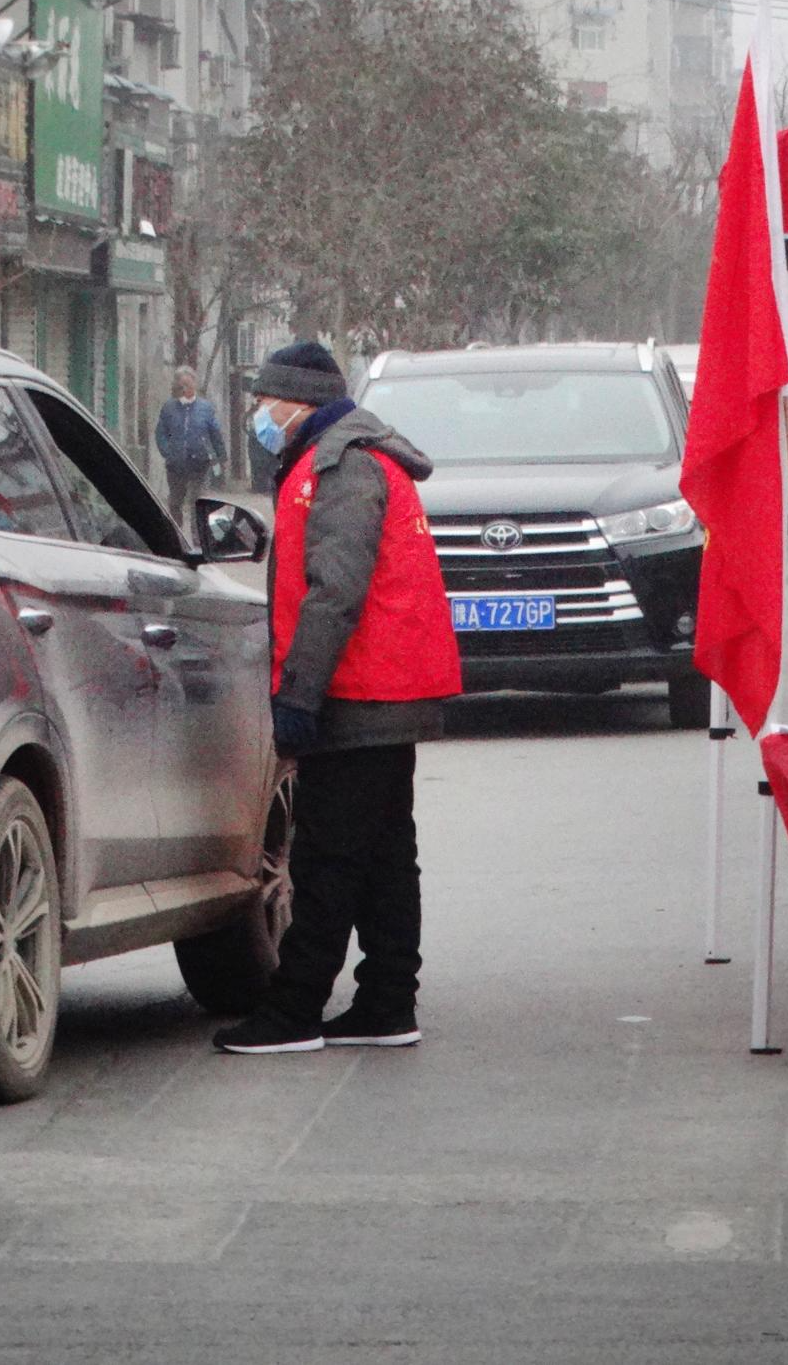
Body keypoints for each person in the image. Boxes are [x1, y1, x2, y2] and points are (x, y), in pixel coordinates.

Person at [214, 341, 462, 1055]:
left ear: (299, 402)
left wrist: (300, 693)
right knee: (385, 855)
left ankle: (294, 1010)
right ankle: (388, 1002)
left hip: (362, 692)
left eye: (266, 401)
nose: (260, 414)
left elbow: (335, 590)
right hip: (384, 688)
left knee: (325, 856)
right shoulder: (347, 458)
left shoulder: (341, 465)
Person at [153, 365, 226, 529]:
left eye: (188, 383)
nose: (185, 388)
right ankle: (176, 536)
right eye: (182, 384)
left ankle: (199, 538)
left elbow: (215, 433)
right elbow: (160, 433)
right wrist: (168, 452)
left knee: (197, 502)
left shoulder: (205, 408)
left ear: (195, 384)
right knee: (175, 503)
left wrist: (221, 458)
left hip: (199, 464)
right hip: (176, 465)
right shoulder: (169, 407)